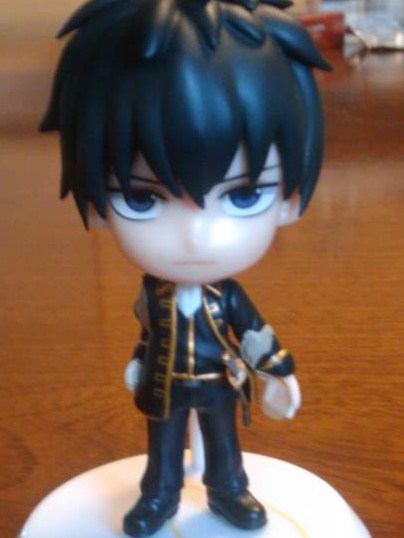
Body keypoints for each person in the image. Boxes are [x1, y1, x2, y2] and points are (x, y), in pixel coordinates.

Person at [41, 0, 330, 536]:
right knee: (163, 446)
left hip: (219, 382)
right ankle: (159, 496)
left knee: (222, 441)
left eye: (244, 195)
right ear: (97, 202)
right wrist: (137, 361)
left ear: (289, 199)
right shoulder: (152, 294)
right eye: (142, 198)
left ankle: (228, 490)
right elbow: (148, 330)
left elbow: (255, 332)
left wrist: (278, 371)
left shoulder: (228, 297)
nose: (195, 236)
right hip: (164, 385)